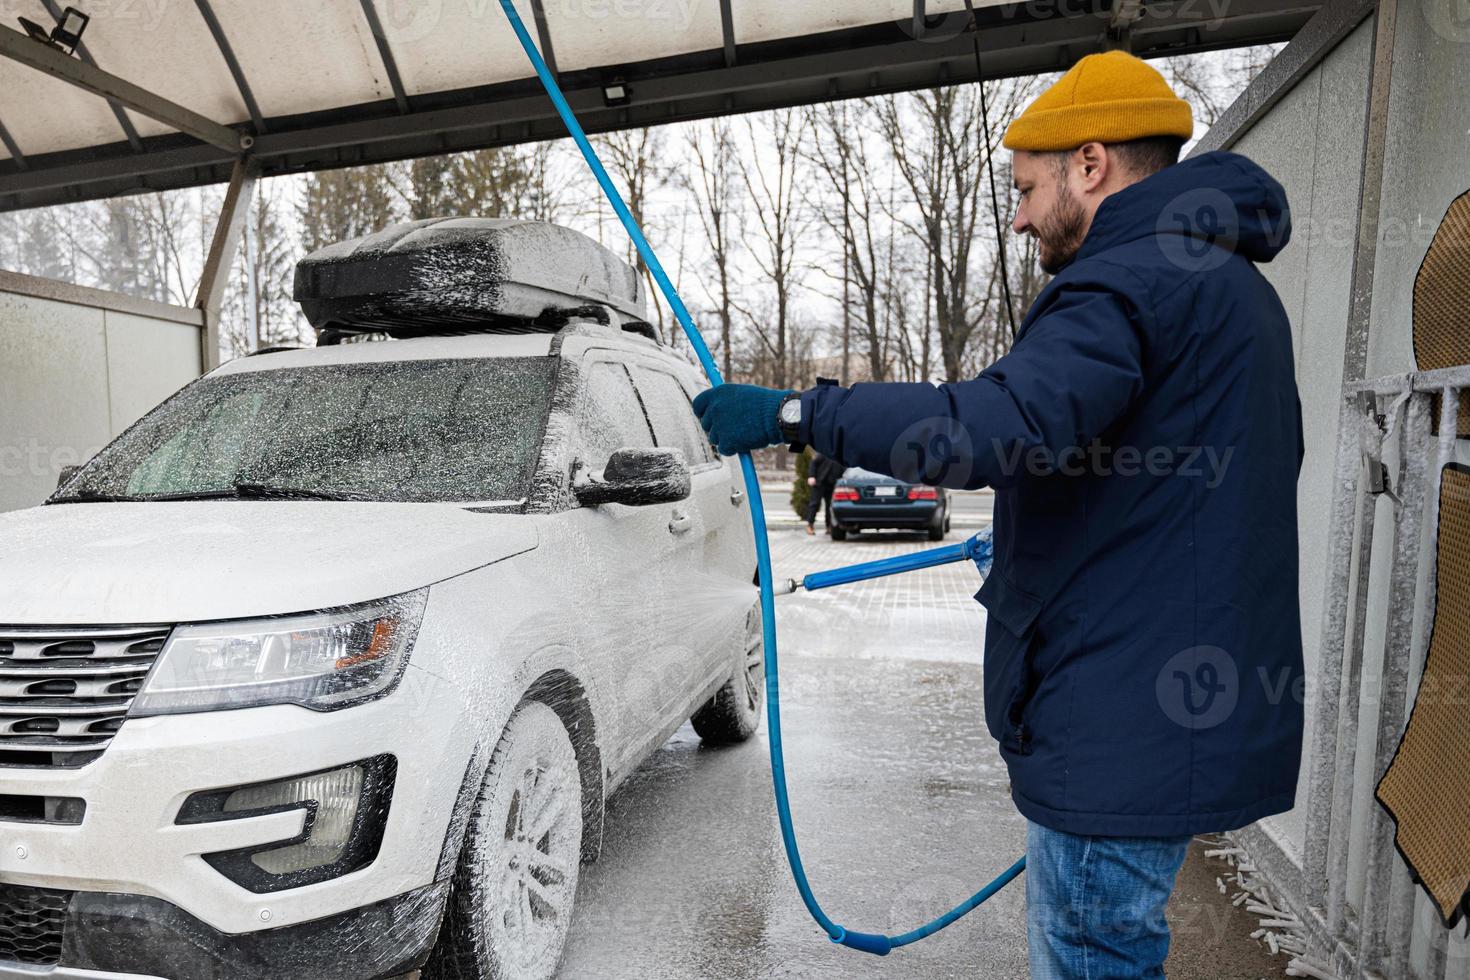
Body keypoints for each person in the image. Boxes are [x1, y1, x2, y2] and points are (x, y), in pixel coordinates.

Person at [693, 51, 1304, 978]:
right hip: (1162, 710)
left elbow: (992, 427)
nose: (1018, 216)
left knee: (1092, 955)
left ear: (1090, 164)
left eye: (1027, 189)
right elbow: (1188, 486)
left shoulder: (1126, 283)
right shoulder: (1234, 291)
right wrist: (1052, 547)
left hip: (1119, 720)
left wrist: (797, 414)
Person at [804, 450, 845, 535]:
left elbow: (844, 470)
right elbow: (814, 463)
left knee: (829, 507)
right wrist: (811, 476)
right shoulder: (826, 452)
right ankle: (810, 525)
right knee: (814, 504)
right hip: (819, 483)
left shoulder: (842, 457)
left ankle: (829, 526)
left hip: (832, 485)